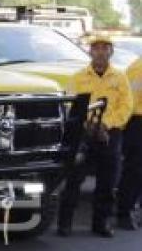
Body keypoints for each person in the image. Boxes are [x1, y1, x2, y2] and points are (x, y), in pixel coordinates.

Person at [58, 35, 133, 238]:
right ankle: (64, 223)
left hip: (110, 134)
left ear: (111, 52)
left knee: (107, 182)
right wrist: (88, 125)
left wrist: (107, 125)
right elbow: (69, 105)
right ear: (90, 52)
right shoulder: (79, 77)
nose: (100, 52)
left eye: (105, 48)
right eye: (96, 48)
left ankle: (101, 223)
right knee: (74, 179)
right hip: (83, 134)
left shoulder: (120, 77)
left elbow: (126, 106)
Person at [116, 55, 142, 230]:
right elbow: (129, 103)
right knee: (135, 169)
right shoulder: (137, 69)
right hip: (137, 122)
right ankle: (124, 213)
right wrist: (121, 128)